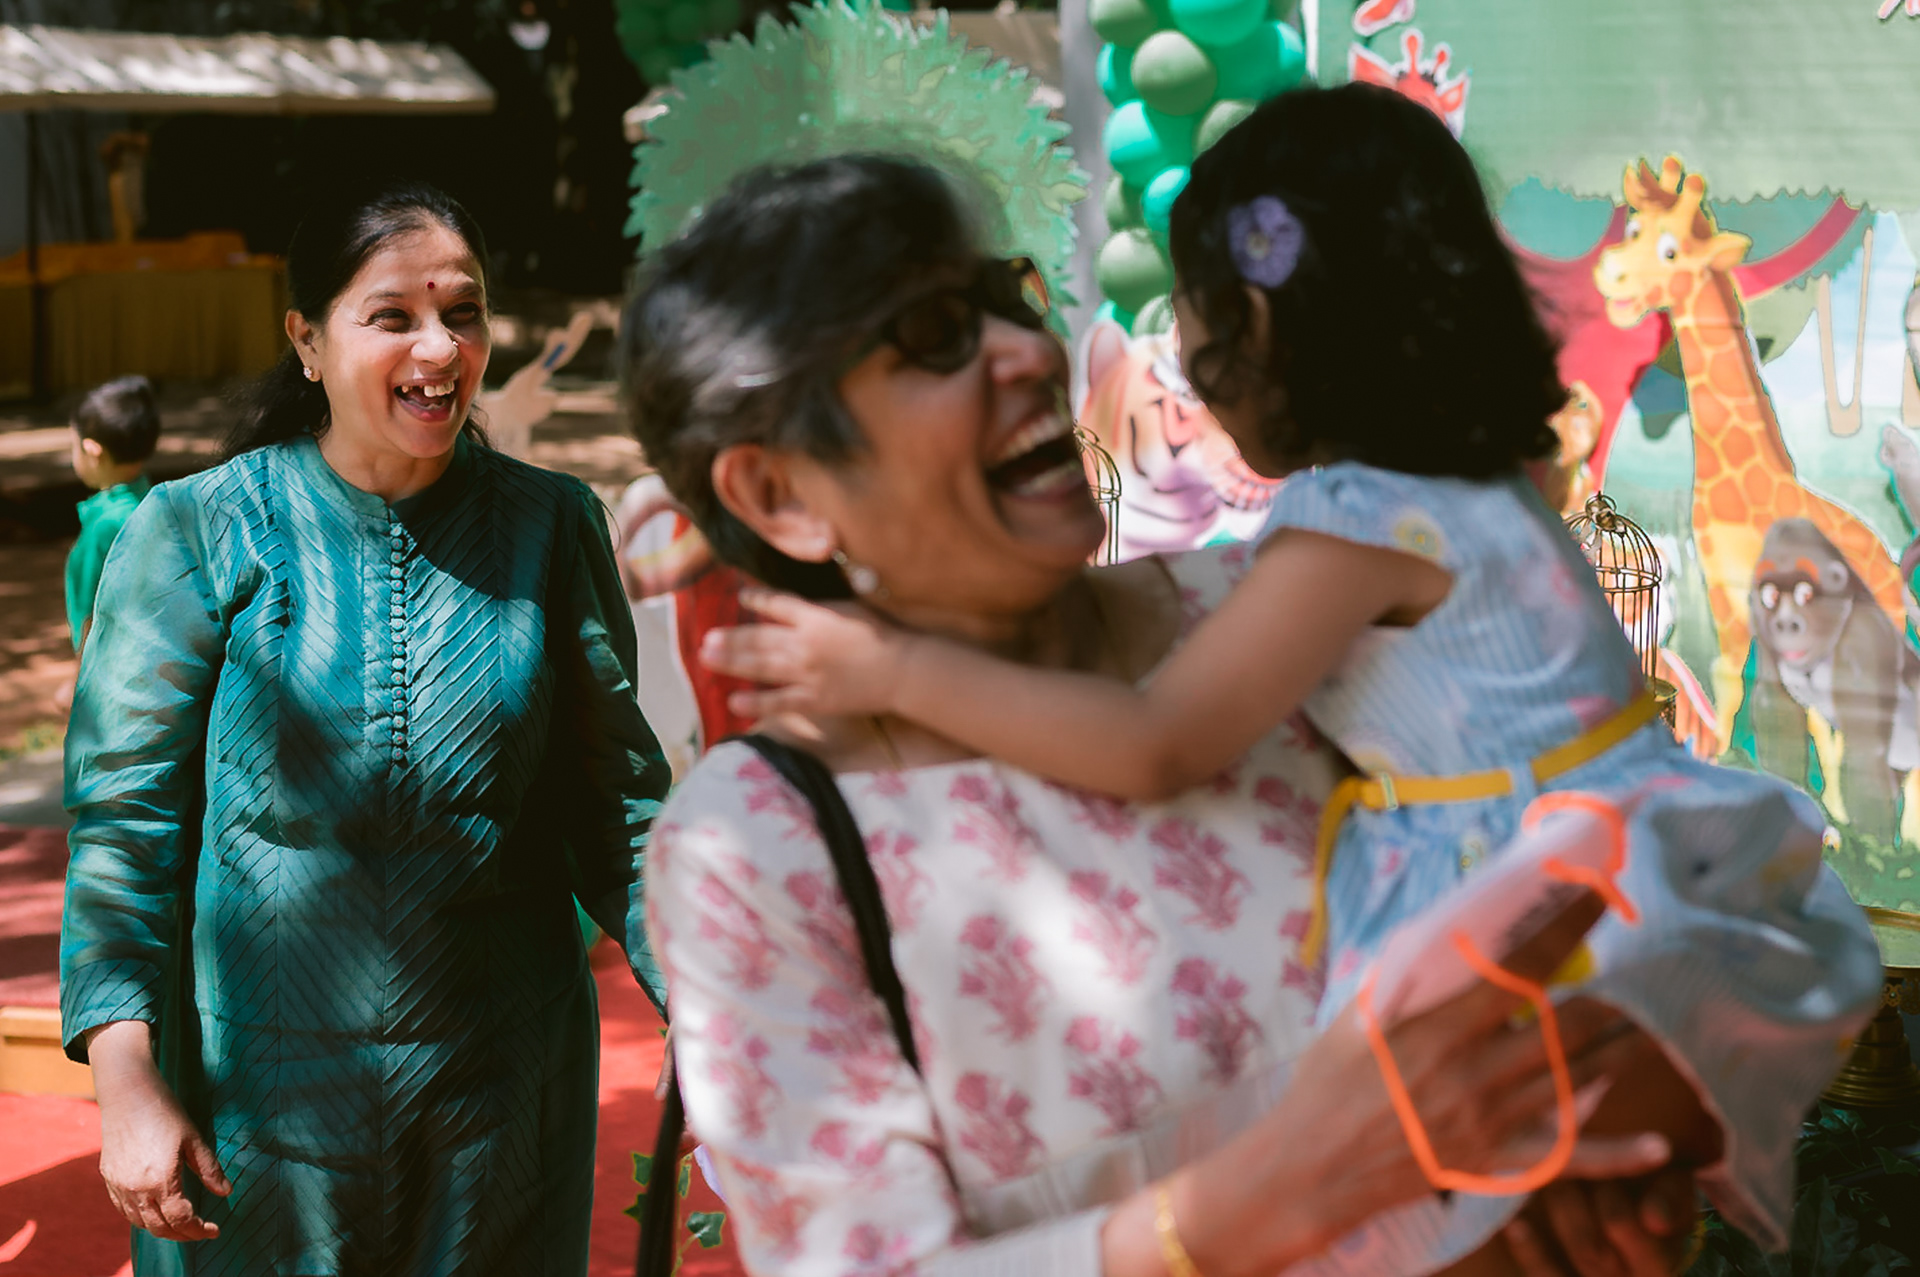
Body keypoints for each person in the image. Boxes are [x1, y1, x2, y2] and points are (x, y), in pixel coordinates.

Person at [699, 91, 1881, 1266]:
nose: (1040, 350)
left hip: (1534, 887)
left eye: (1189, 314)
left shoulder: (1350, 526)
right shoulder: (1482, 483)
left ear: (1256, 325)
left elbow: (1156, 738)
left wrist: (896, 666)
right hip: (1637, 864)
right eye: (935, 334)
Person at [60, 181, 670, 1275]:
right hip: (257, 1121)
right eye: (393, 316)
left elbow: (620, 812)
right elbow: (124, 828)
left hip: (501, 1115)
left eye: (463, 313)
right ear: (307, 340)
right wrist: (127, 1080)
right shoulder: (194, 531)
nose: (440, 347)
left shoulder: (551, 528)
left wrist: (716, 1008)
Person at [66, 375, 158, 658]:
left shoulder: (104, 527)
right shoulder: (157, 503)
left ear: (93, 451)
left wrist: (80, 676)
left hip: (113, 665)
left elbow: (90, 617)